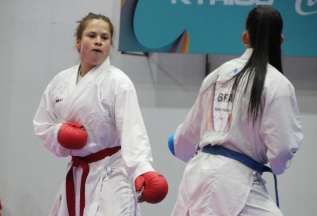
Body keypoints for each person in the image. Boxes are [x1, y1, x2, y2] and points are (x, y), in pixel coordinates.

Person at [168, 6, 303, 216]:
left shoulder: (217, 75)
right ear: (281, 40)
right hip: (233, 183)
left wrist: (178, 145)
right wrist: (278, 166)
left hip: (198, 174)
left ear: (245, 37)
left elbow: (188, 133)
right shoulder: (278, 84)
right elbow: (282, 149)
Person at [33, 12, 168, 216]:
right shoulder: (60, 82)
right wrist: (59, 134)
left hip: (112, 173)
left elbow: (133, 131)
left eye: (104, 38)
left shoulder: (118, 82)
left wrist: (143, 170)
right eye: (92, 35)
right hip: (77, 172)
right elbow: (42, 124)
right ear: (78, 42)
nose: (98, 41)